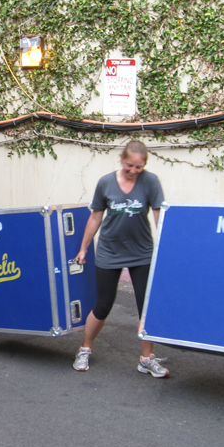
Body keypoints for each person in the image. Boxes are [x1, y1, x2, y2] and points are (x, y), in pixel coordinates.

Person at [72, 140, 167, 377]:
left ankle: (146, 359)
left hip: (141, 252)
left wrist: (166, 249)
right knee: (103, 305)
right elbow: (95, 217)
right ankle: (84, 349)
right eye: (129, 166)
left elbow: (159, 217)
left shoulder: (151, 181)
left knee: (145, 308)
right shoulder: (105, 182)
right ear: (121, 159)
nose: (134, 171)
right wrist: (84, 248)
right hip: (109, 251)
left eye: (139, 167)